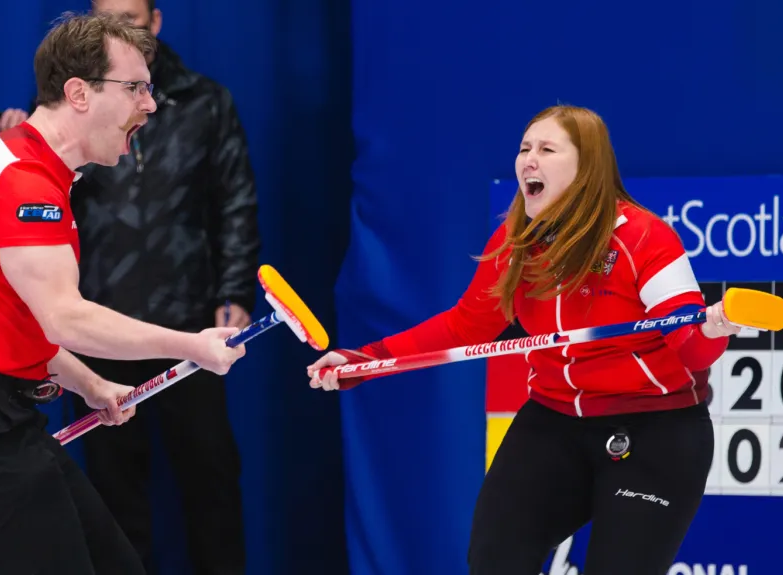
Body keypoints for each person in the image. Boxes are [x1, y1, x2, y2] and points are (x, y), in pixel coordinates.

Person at [307, 105, 743, 575]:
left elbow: (695, 349)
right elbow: (463, 328)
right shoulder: (516, 241)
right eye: (524, 148)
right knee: (494, 559)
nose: (528, 160)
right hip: (554, 423)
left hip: (656, 431)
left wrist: (711, 330)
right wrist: (367, 360)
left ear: (586, 166)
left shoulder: (644, 239)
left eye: (547, 149)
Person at [0, 12, 246, 575]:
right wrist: (192, 345)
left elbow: (13, 320)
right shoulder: (25, 183)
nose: (150, 105)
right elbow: (64, 318)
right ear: (79, 93)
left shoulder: (24, 164)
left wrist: (90, 383)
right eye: (135, 88)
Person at [0, 2, 259, 573]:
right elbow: (47, 289)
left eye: (134, 18)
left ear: (156, 21)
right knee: (111, 497)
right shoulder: (45, 152)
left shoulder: (206, 102)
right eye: (109, 18)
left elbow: (235, 204)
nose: (147, 106)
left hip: (187, 315)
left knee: (211, 480)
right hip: (96, 321)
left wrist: (231, 297)